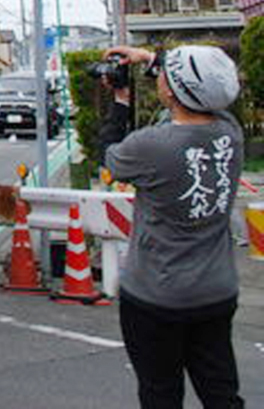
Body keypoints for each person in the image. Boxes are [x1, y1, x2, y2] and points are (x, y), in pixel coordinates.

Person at [103, 44, 245, 409]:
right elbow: (191, 97)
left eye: (165, 72)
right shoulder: (231, 132)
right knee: (221, 392)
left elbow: (111, 157)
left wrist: (119, 100)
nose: (160, 75)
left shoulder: (152, 146)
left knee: (160, 394)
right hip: (216, 289)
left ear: (171, 89)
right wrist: (149, 59)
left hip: (156, 294)